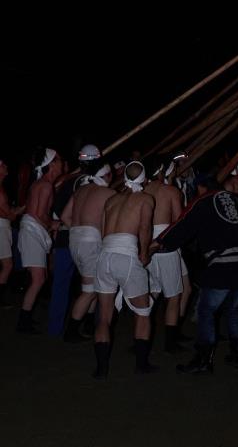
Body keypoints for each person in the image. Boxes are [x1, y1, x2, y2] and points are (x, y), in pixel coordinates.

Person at [152, 173, 238, 374]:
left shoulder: (201, 201)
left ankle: (203, 360)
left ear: (200, 188)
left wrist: (159, 242)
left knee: (206, 311)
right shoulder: (234, 199)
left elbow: (183, 225)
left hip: (221, 263)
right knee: (233, 309)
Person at [93, 161, 155, 378]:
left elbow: (102, 232)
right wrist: (145, 252)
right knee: (143, 311)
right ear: (144, 178)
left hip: (105, 256)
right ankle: (141, 364)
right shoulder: (146, 199)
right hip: (126, 255)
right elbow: (145, 227)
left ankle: (101, 369)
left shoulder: (111, 199)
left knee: (104, 315)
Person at [60, 160, 114, 342]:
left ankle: (89, 325)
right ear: (107, 175)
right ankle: (71, 331)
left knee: (90, 284)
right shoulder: (108, 193)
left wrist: (79, 231)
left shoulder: (80, 191)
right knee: (90, 290)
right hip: (91, 241)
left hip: (75, 239)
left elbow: (64, 216)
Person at [17, 147, 62, 333]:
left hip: (32, 230)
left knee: (39, 278)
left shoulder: (40, 183)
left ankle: (25, 319)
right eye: (58, 160)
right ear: (51, 164)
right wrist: (53, 223)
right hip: (32, 231)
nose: (61, 163)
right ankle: (23, 322)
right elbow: (38, 213)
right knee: (38, 279)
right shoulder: (45, 185)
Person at [143, 157, 185, 353]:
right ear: (161, 171)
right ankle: (170, 343)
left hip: (145, 245)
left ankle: (141, 337)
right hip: (164, 245)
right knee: (174, 296)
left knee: (153, 291)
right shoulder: (170, 191)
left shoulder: (141, 192)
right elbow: (178, 222)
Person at [0, 157, 24, 307]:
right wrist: (23, 208)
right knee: (7, 265)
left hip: (3, 226)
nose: (5, 166)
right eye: (2, 165)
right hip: (1, 228)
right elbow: (9, 215)